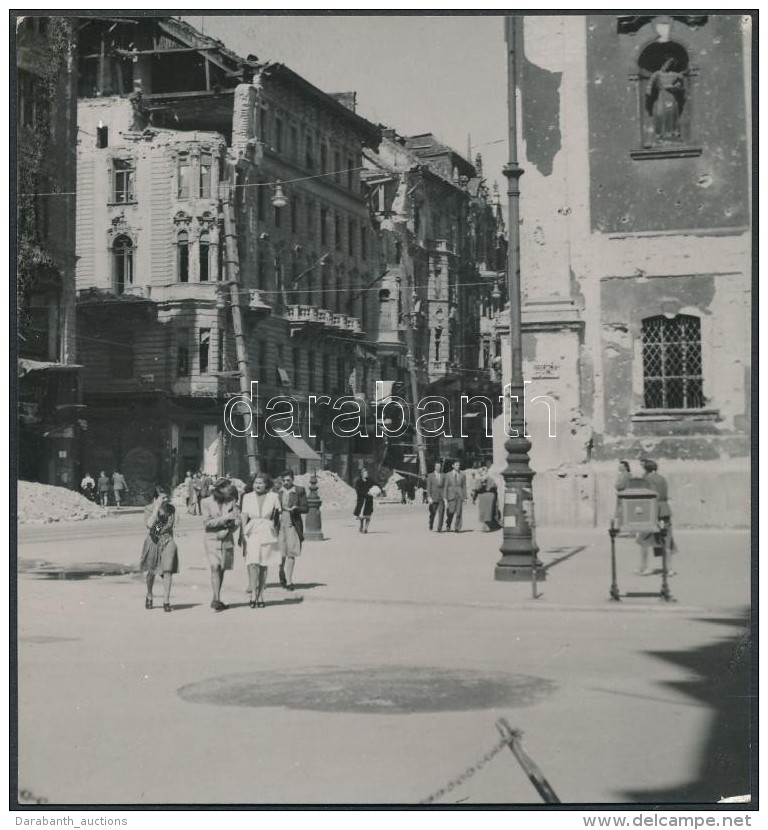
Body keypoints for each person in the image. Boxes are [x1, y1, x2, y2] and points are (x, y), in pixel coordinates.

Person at [241, 473, 281, 608]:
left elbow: (277, 516)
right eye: (255, 483)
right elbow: (244, 515)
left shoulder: (274, 497)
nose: (257, 485)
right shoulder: (247, 497)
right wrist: (243, 533)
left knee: (264, 564)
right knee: (252, 563)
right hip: (252, 531)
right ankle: (253, 594)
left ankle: (261, 594)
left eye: (261, 483)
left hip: (267, 531)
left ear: (267, 484)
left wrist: (276, 532)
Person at [200, 478, 240, 612]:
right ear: (218, 489)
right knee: (215, 566)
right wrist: (225, 518)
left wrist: (229, 529)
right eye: (226, 488)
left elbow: (236, 520)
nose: (228, 491)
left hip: (226, 538)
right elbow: (207, 523)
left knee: (222, 567)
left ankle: (215, 597)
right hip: (211, 538)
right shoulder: (205, 502)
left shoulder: (231, 502)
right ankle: (217, 599)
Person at [635, 458, 677, 576]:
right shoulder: (662, 478)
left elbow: (651, 495)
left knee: (644, 540)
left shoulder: (648, 479)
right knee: (666, 540)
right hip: (665, 509)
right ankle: (669, 569)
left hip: (653, 510)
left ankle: (645, 567)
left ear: (646, 469)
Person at [139, 487, 178, 612]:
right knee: (151, 571)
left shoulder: (171, 509)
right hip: (153, 541)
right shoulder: (149, 508)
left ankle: (166, 600)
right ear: (155, 498)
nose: (165, 500)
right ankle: (149, 594)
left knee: (168, 570)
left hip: (167, 541)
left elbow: (173, 524)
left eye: (167, 497)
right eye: (162, 498)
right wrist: (156, 508)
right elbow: (150, 525)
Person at [276, 470, 309, 591]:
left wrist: (297, 508)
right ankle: (281, 572)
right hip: (280, 525)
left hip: (293, 524)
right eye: (283, 480)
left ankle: (289, 580)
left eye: (288, 480)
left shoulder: (299, 491)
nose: (285, 482)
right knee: (281, 553)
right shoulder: (277, 491)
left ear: (293, 479)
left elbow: (306, 508)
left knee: (291, 553)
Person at [647, 57, 686, 142]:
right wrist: (648, 91)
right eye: (667, 64)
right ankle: (660, 133)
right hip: (661, 96)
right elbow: (650, 82)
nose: (668, 66)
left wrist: (677, 86)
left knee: (671, 113)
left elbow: (682, 80)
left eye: (670, 65)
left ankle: (671, 132)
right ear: (663, 64)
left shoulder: (674, 74)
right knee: (660, 113)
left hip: (670, 96)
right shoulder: (657, 74)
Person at [442, 460, 467, 532]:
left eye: (459, 465)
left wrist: (465, 497)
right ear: (453, 466)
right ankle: (448, 524)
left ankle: (457, 527)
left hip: (459, 496)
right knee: (451, 511)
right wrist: (445, 498)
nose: (458, 466)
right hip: (451, 496)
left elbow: (464, 486)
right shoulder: (448, 475)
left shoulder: (463, 475)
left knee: (459, 512)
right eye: (456, 465)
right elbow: (445, 487)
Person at [353, 468, 375, 533]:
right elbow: (358, 491)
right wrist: (366, 493)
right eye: (365, 473)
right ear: (362, 474)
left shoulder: (370, 481)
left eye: (367, 473)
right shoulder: (359, 482)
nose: (366, 474)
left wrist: (379, 490)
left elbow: (375, 485)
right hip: (362, 501)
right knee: (362, 516)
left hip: (369, 500)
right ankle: (361, 525)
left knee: (368, 516)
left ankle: (365, 528)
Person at [426, 461, 445, 532]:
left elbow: (445, 487)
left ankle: (439, 528)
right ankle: (431, 523)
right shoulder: (430, 476)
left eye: (439, 466)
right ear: (435, 467)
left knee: (441, 512)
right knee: (432, 513)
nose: (438, 468)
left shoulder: (443, 475)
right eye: (437, 466)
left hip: (441, 497)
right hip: (433, 497)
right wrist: (428, 497)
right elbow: (428, 487)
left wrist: (445, 496)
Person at [614, 460, 632, 527]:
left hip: (623, 496)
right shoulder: (629, 475)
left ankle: (621, 526)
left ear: (625, 467)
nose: (619, 467)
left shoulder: (624, 475)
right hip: (624, 496)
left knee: (621, 512)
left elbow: (619, 485)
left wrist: (617, 485)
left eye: (621, 466)